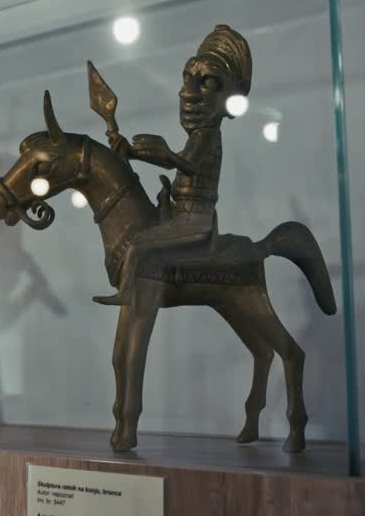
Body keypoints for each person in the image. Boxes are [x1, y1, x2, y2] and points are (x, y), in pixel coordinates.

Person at [95, 24, 252, 305]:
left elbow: (186, 165)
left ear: (232, 99)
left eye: (208, 82)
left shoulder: (208, 135)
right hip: (179, 211)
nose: (186, 93)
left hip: (195, 219)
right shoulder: (199, 136)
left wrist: (164, 152)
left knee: (139, 244)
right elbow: (174, 162)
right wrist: (129, 151)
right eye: (187, 79)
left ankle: (129, 292)